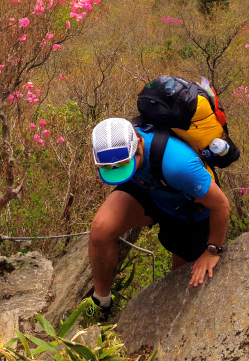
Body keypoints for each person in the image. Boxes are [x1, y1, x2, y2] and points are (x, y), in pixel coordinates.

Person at [89, 116, 230, 311]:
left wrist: (212, 250)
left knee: (182, 281)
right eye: (110, 168)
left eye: (125, 164)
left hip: (187, 210)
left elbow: (221, 205)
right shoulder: (121, 150)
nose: (117, 170)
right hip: (149, 189)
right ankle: (101, 303)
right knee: (100, 229)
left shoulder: (179, 165)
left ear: (138, 142)